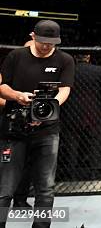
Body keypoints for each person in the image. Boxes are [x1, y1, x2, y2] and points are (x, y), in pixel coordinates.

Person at [0, 20, 75, 228]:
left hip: (47, 130)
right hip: (14, 128)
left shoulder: (65, 60)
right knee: (5, 189)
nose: (46, 46)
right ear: (33, 36)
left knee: (46, 188)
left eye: (51, 43)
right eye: (43, 42)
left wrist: (49, 106)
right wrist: (17, 96)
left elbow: (65, 89)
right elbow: (2, 86)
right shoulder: (16, 56)